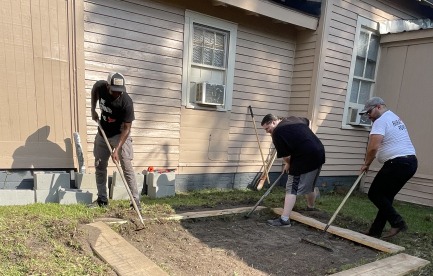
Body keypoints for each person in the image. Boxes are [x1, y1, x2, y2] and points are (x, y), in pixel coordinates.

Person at [359, 97, 417, 239]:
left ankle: (397, 222)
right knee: (386, 197)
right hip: (410, 163)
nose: (368, 116)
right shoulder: (394, 117)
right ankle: (375, 231)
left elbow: (373, 147)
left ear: (378, 107)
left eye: (369, 112)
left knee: (375, 194)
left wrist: (366, 164)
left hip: (398, 163)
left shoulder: (381, 121)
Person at [261, 114, 325, 227]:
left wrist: (288, 164)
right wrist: (305, 137)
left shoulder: (277, 133)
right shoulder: (293, 118)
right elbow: (308, 121)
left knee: (291, 187)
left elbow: (286, 157)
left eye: (267, 128)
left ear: (274, 122)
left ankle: (284, 220)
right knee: (309, 184)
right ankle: (311, 208)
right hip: (319, 151)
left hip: (304, 156)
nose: (267, 132)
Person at [91, 72, 141, 209]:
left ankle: (135, 201)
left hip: (120, 135)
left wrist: (117, 150)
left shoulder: (126, 102)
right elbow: (94, 88)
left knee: (126, 167)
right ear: (108, 86)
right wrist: (92, 109)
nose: (117, 94)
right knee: (99, 166)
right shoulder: (101, 87)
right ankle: (102, 200)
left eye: (120, 91)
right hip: (103, 134)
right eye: (114, 91)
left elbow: (127, 128)